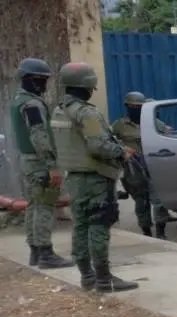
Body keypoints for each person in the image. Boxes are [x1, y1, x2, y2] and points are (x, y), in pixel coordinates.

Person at [50, 62, 138, 293]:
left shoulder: (59, 110)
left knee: (80, 227)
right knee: (98, 227)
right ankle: (103, 279)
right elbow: (98, 145)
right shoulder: (86, 112)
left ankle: (87, 277)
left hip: (75, 179)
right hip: (95, 178)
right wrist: (122, 152)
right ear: (87, 86)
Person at [9, 57, 72, 269]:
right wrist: (52, 165)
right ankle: (46, 253)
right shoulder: (32, 103)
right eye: (43, 80)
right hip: (39, 162)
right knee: (44, 207)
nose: (45, 84)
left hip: (27, 161)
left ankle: (36, 252)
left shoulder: (18, 100)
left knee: (33, 207)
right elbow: (39, 135)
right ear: (33, 80)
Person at [111, 91, 168, 239]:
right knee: (141, 202)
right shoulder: (119, 125)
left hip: (154, 166)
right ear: (127, 107)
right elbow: (109, 141)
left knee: (159, 201)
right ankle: (146, 231)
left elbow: (168, 138)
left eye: (138, 106)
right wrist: (123, 149)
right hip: (133, 169)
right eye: (132, 106)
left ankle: (161, 232)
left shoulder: (156, 124)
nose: (135, 109)